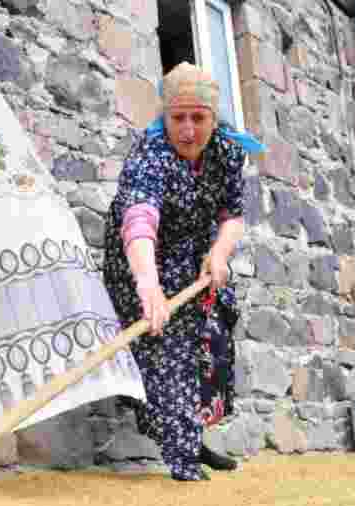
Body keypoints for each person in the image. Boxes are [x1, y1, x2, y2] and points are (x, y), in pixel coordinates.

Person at [102, 62, 254, 481]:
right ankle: (182, 456)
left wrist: (220, 254)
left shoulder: (225, 151)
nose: (187, 129)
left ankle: (192, 438)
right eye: (178, 118)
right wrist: (148, 287)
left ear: (213, 118)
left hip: (196, 251)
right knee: (165, 348)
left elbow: (233, 214)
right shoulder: (150, 152)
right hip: (141, 255)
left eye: (198, 118)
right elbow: (138, 218)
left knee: (211, 335)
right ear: (164, 117)